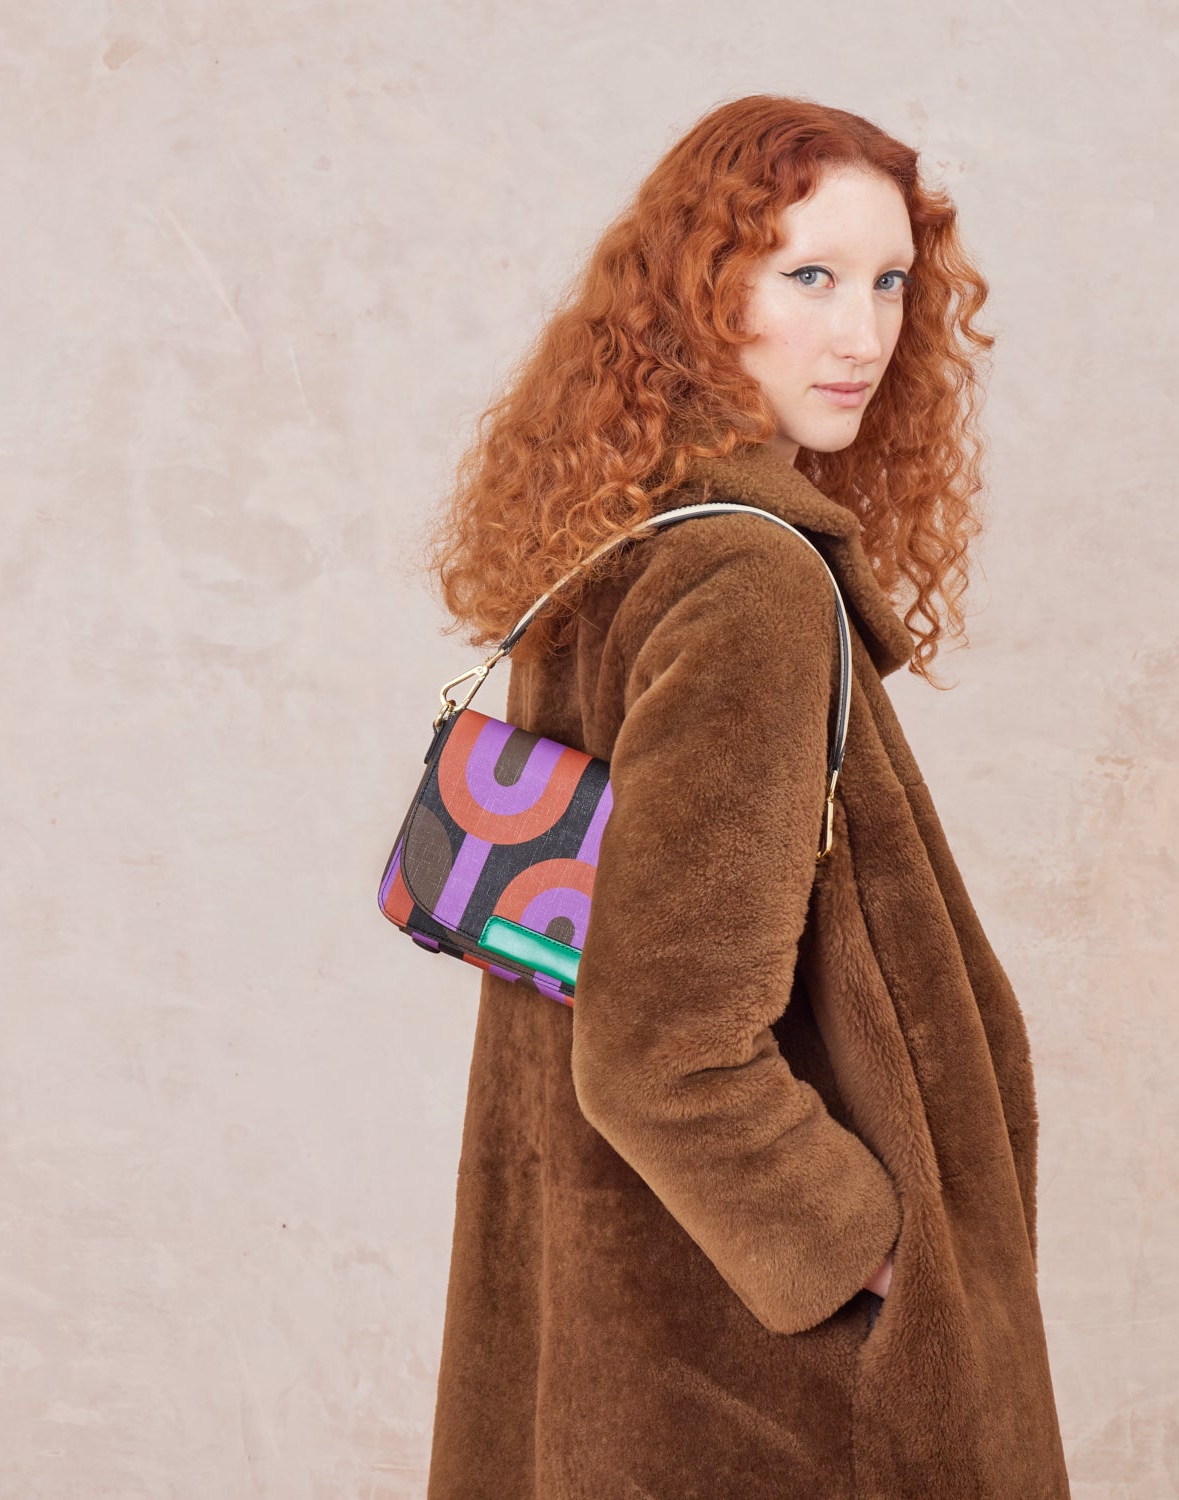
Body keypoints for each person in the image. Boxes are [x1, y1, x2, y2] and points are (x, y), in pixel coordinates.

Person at [413, 94, 1072, 1499]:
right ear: (704, 296)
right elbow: (664, 1049)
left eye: (891, 282)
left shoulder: (631, 544)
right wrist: (879, 1259)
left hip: (631, 1328)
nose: (865, 334)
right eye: (809, 276)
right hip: (765, 1386)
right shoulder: (752, 583)